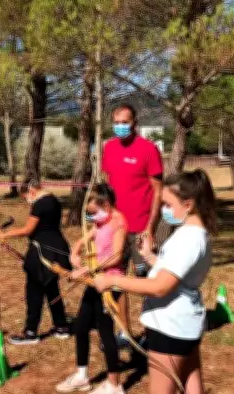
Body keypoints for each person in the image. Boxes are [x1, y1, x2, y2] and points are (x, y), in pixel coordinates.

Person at [93, 170, 217, 394]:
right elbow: (178, 274)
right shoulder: (196, 234)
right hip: (184, 324)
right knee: (192, 384)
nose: (163, 210)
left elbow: (160, 286)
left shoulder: (188, 238)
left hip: (171, 327)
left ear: (188, 204)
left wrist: (113, 282)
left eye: (168, 204)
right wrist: (151, 257)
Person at [55, 183, 127, 394]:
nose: (92, 217)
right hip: (95, 281)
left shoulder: (119, 222)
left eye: (93, 211)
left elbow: (116, 256)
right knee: (80, 327)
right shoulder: (101, 220)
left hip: (109, 284)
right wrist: (75, 252)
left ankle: (114, 385)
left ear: (106, 204)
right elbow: (83, 239)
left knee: (106, 333)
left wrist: (86, 269)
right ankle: (82, 375)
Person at [102, 103, 163, 346]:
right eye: (116, 123)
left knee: (146, 282)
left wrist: (150, 227)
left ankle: (152, 334)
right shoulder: (109, 148)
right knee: (116, 280)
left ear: (134, 123)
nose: (120, 127)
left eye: (125, 122)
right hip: (117, 228)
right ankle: (124, 333)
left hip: (140, 228)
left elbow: (158, 192)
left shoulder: (148, 150)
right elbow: (109, 186)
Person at [0, 179, 72, 345]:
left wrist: (4, 235)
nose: (26, 201)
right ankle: (61, 327)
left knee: (34, 291)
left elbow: (28, 229)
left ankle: (30, 333)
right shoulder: (54, 200)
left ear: (31, 191)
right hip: (56, 248)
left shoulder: (40, 204)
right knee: (52, 288)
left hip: (42, 252)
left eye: (25, 197)